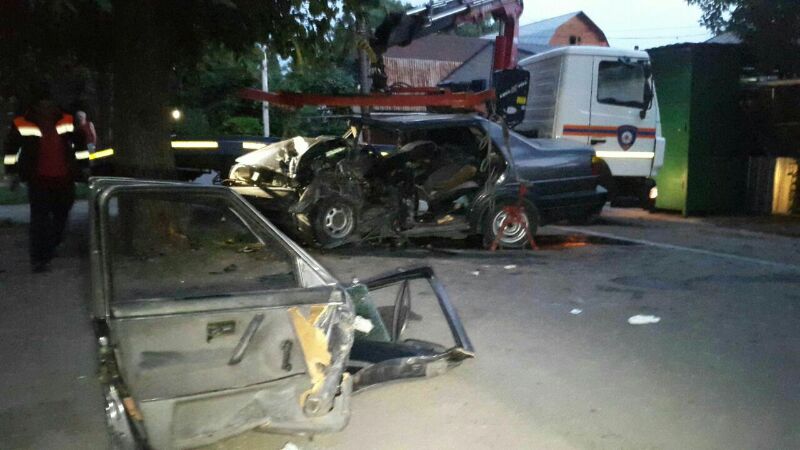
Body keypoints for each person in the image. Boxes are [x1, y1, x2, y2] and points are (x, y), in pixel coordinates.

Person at [3, 85, 79, 272]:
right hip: (37, 177)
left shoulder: (66, 118)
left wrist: (82, 167)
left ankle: (51, 245)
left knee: (62, 212)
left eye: (48, 103)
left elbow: (79, 142)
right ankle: (39, 259)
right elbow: (11, 148)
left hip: (63, 176)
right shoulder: (23, 121)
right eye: (42, 103)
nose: (46, 106)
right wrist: (12, 172)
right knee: (40, 219)